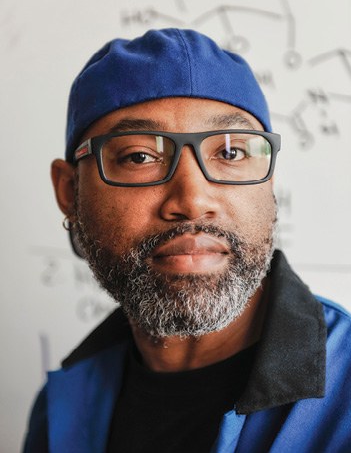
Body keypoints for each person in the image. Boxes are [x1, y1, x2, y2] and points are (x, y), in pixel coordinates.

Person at [23, 28, 351, 453]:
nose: (193, 201)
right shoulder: (60, 409)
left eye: (231, 153)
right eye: (139, 156)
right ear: (70, 192)